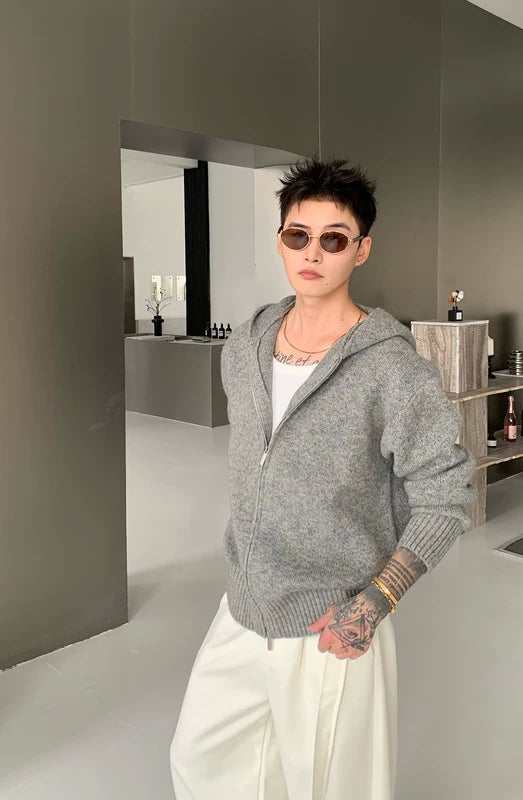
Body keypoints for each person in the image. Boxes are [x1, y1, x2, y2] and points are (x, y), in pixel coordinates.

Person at [170, 156, 477, 799]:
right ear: (281, 240)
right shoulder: (246, 344)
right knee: (203, 764)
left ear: (361, 250)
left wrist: (375, 602)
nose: (312, 252)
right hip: (244, 606)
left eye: (334, 239)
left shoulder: (394, 371)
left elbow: (446, 497)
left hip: (330, 624)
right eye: (298, 235)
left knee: (331, 789)